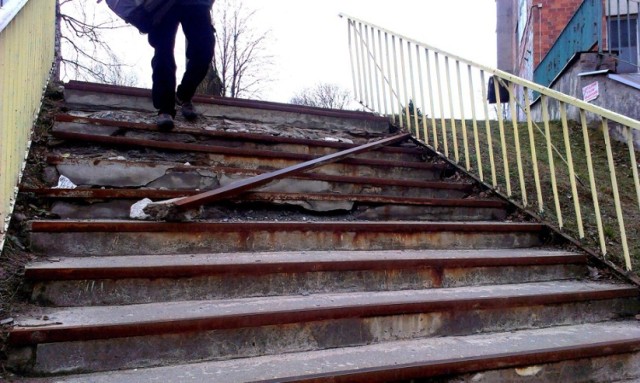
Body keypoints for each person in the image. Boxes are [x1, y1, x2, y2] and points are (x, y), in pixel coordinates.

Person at [149, 0, 215, 131]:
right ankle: (165, 108)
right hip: (162, 4)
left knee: (205, 49)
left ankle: (183, 95)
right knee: (163, 52)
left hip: (197, 3)